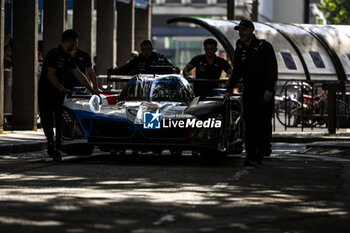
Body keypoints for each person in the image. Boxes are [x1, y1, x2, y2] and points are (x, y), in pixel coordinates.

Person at [225, 19, 278, 166]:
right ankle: (251, 155)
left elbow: (272, 69)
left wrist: (269, 89)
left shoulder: (264, 46)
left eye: (244, 30)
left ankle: (262, 150)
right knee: (249, 124)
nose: (241, 33)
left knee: (263, 123)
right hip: (249, 92)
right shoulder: (240, 48)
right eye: (239, 30)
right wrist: (229, 89)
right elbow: (237, 72)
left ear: (251, 30)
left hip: (264, 92)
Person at [38, 29, 93, 161]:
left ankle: (57, 147)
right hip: (46, 91)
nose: (76, 45)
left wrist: (91, 89)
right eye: (76, 42)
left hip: (58, 93)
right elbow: (50, 75)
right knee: (47, 120)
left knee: (59, 119)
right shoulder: (53, 54)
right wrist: (62, 89)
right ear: (72, 41)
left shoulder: (68, 57)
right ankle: (50, 142)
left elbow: (79, 74)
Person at [108, 40, 179, 75]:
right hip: (141, 87)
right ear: (141, 50)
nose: (146, 52)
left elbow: (171, 68)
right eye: (143, 50)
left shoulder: (159, 58)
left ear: (152, 49)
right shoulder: (137, 60)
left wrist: (175, 70)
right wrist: (114, 71)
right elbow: (125, 68)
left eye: (148, 49)